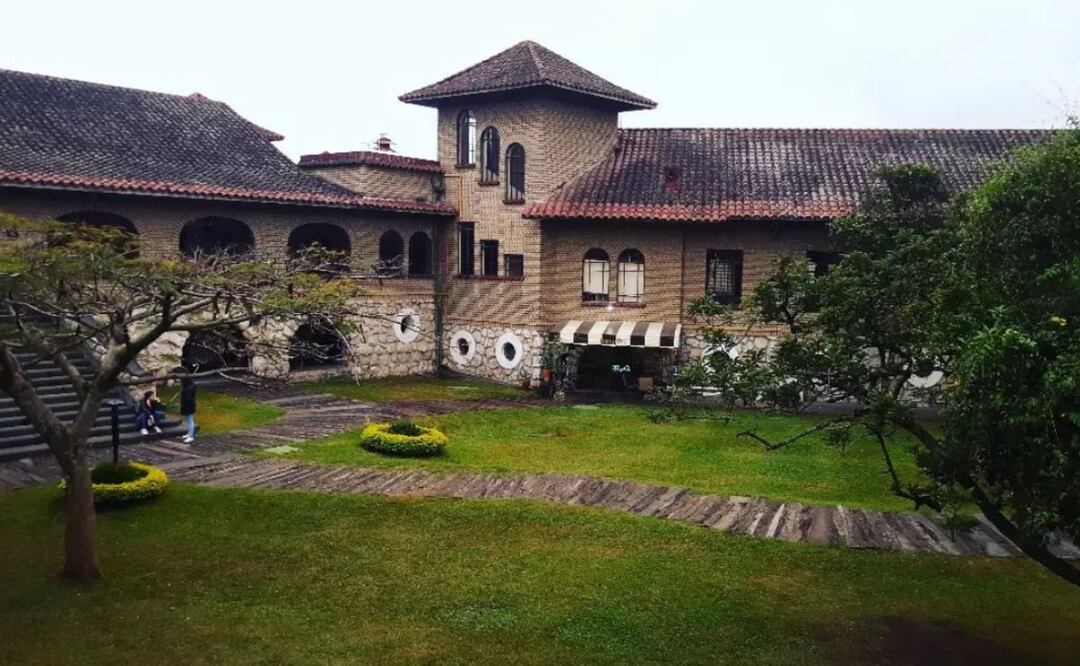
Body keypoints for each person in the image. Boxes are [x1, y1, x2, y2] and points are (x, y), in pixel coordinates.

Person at [180, 376, 197, 444]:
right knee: (188, 420)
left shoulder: (188, 389)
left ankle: (191, 436)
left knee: (190, 420)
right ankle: (189, 433)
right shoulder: (190, 387)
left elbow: (187, 399)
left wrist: (184, 405)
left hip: (188, 406)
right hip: (190, 405)